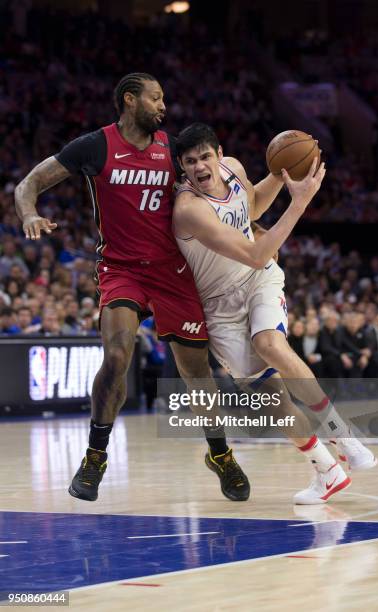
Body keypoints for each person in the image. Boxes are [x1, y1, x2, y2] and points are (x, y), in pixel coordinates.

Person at [14, 73, 249, 503]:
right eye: (156, 98)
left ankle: (220, 455)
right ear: (130, 100)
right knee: (118, 353)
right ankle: (95, 456)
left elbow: (219, 192)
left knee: (195, 371)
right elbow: (29, 183)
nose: (163, 105)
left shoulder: (173, 149)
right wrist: (29, 213)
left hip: (171, 269)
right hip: (121, 268)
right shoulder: (95, 146)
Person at [173, 123, 377, 504]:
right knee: (273, 401)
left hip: (257, 281)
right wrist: (300, 202)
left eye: (205, 157)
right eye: (189, 162)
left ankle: (342, 433)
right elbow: (255, 250)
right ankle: (327, 470)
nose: (200, 166)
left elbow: (250, 208)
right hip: (220, 305)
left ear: (219, 154)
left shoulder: (233, 168)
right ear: (182, 168)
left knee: (270, 343)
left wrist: (280, 176)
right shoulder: (189, 210)